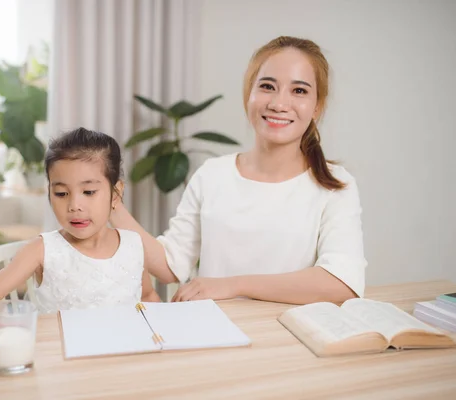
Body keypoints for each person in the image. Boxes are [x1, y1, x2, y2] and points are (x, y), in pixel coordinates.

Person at [110, 36, 367, 305]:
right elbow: (169, 265)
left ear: (317, 106)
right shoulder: (212, 175)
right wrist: (109, 202)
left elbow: (342, 283)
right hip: (215, 332)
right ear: (249, 95)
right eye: (268, 86)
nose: (279, 104)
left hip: (290, 339)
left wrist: (234, 285)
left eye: (299, 91)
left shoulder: (335, 185)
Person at [0, 127, 160, 373]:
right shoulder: (42, 250)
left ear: (115, 194)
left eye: (89, 192)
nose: (74, 205)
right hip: (59, 370)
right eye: (61, 193)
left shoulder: (133, 246)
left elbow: (149, 298)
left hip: (123, 368)